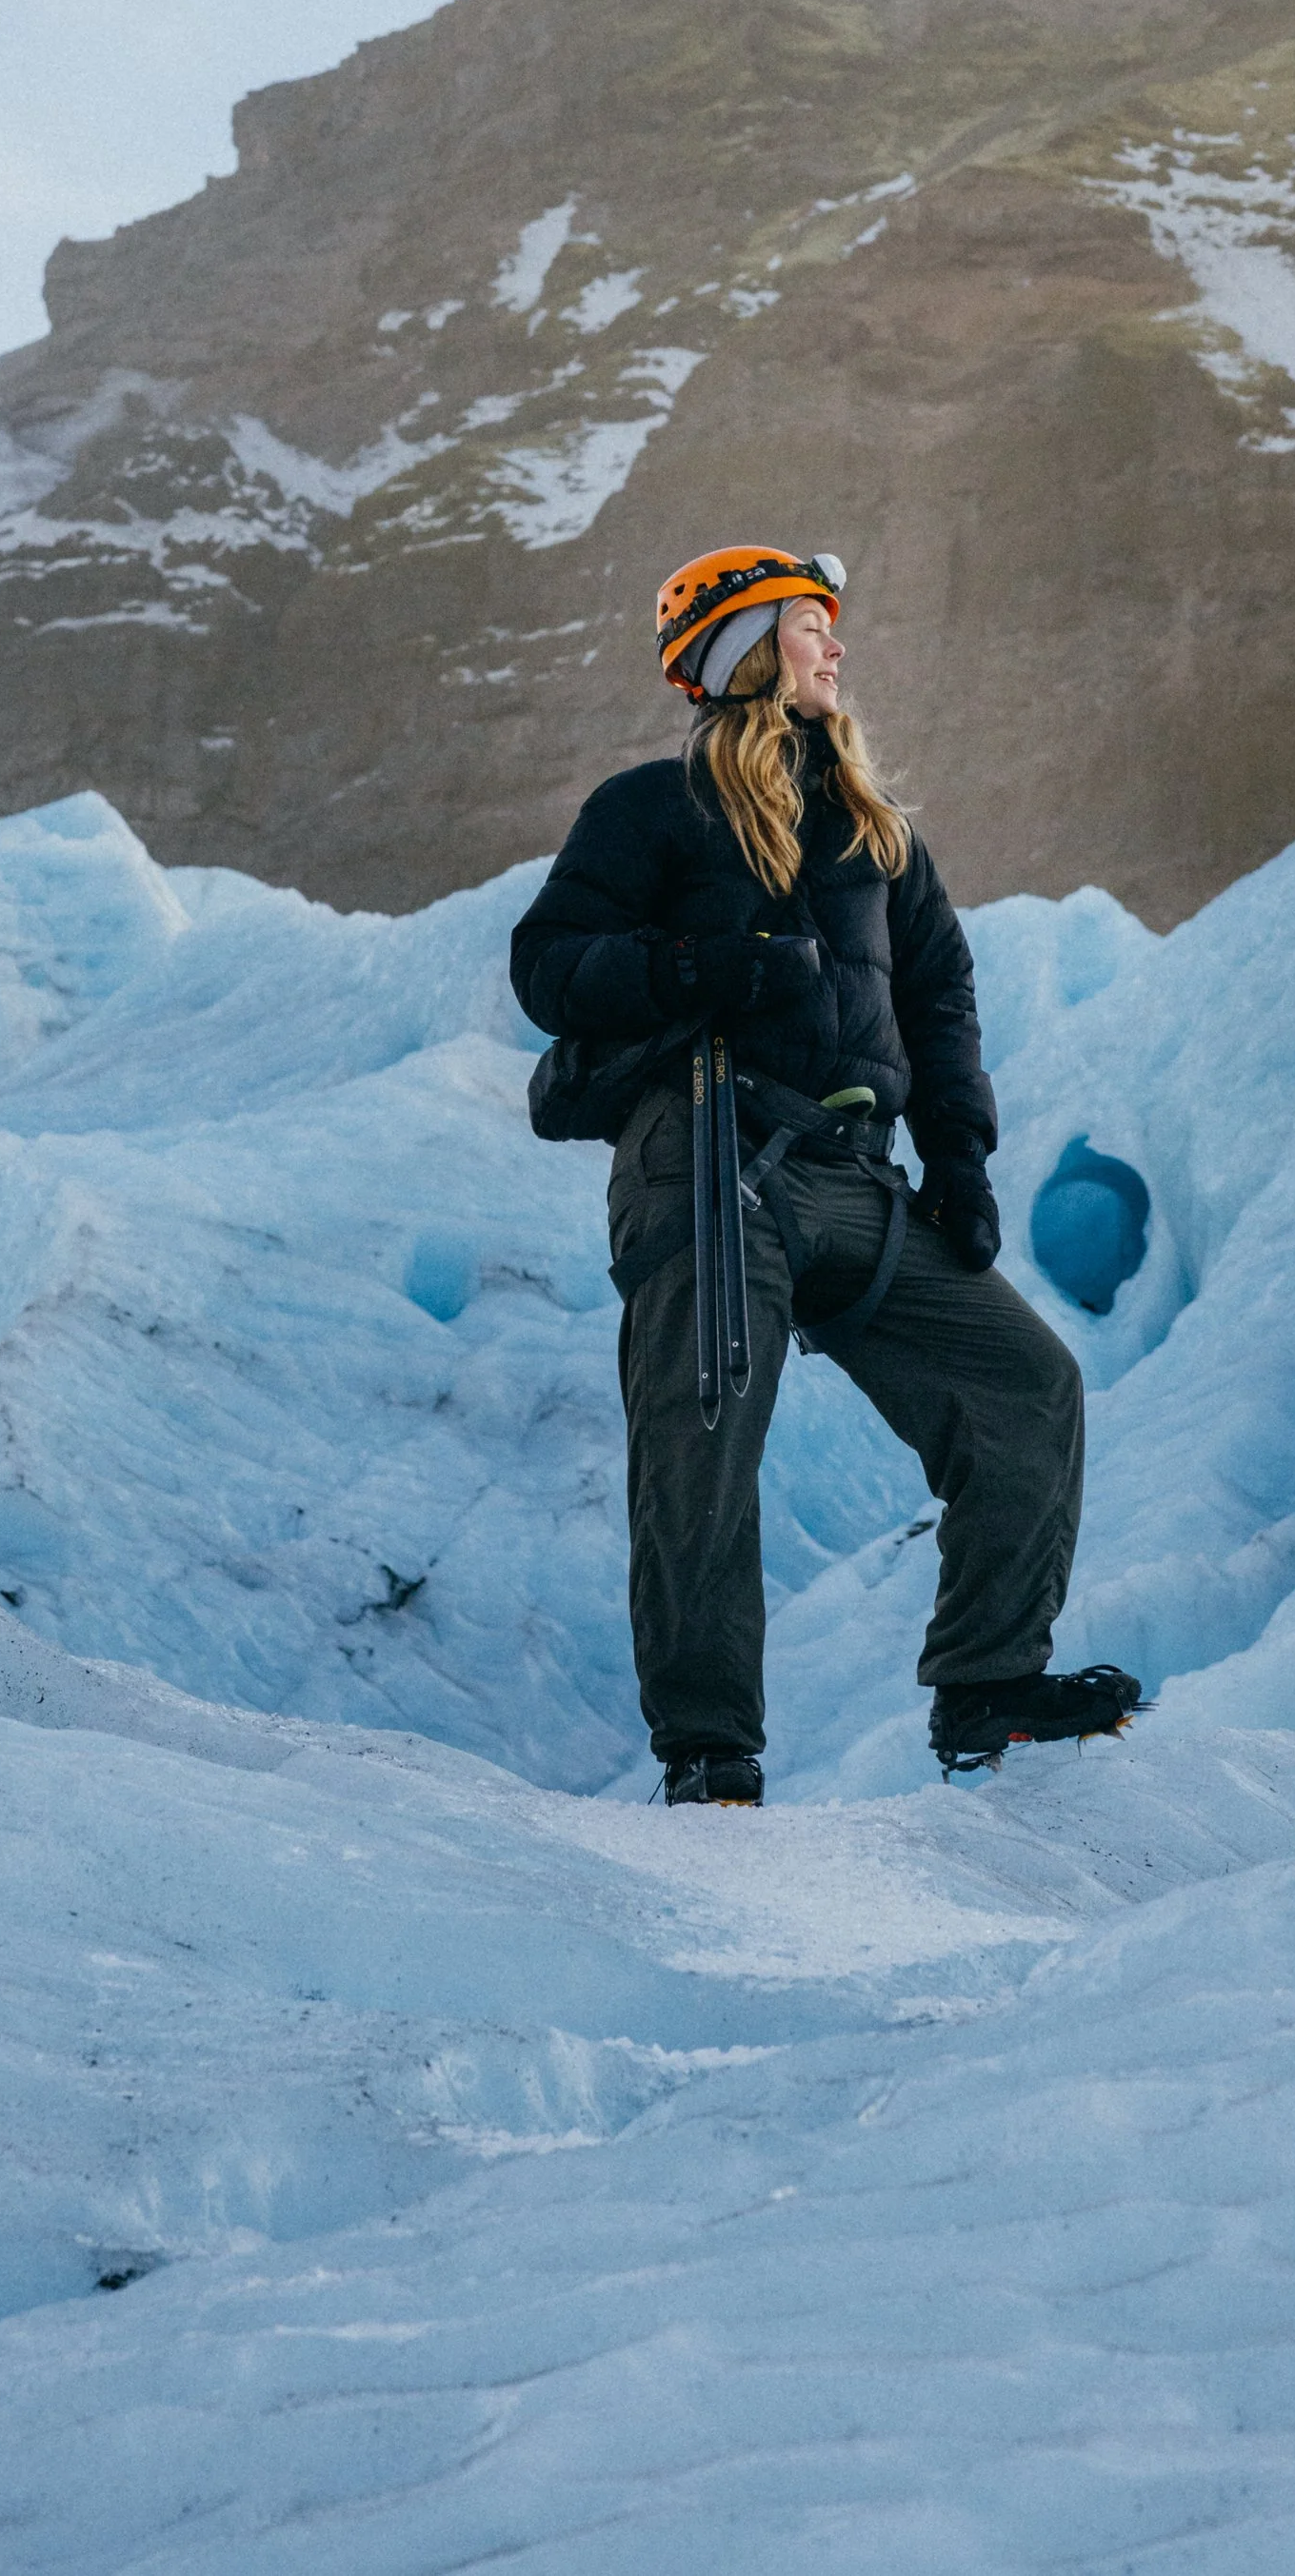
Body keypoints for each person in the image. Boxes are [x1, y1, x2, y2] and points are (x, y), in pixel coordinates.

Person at [509, 543, 1143, 1807]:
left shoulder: (874, 829)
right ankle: (711, 1753)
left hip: (855, 1170)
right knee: (704, 1427)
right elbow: (548, 964)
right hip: (705, 1144)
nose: (837, 648)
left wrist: (958, 1153)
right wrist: (698, 973)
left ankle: (989, 1688)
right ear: (747, 646)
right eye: (812, 624)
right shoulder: (649, 810)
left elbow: (940, 992)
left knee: (1024, 1383)